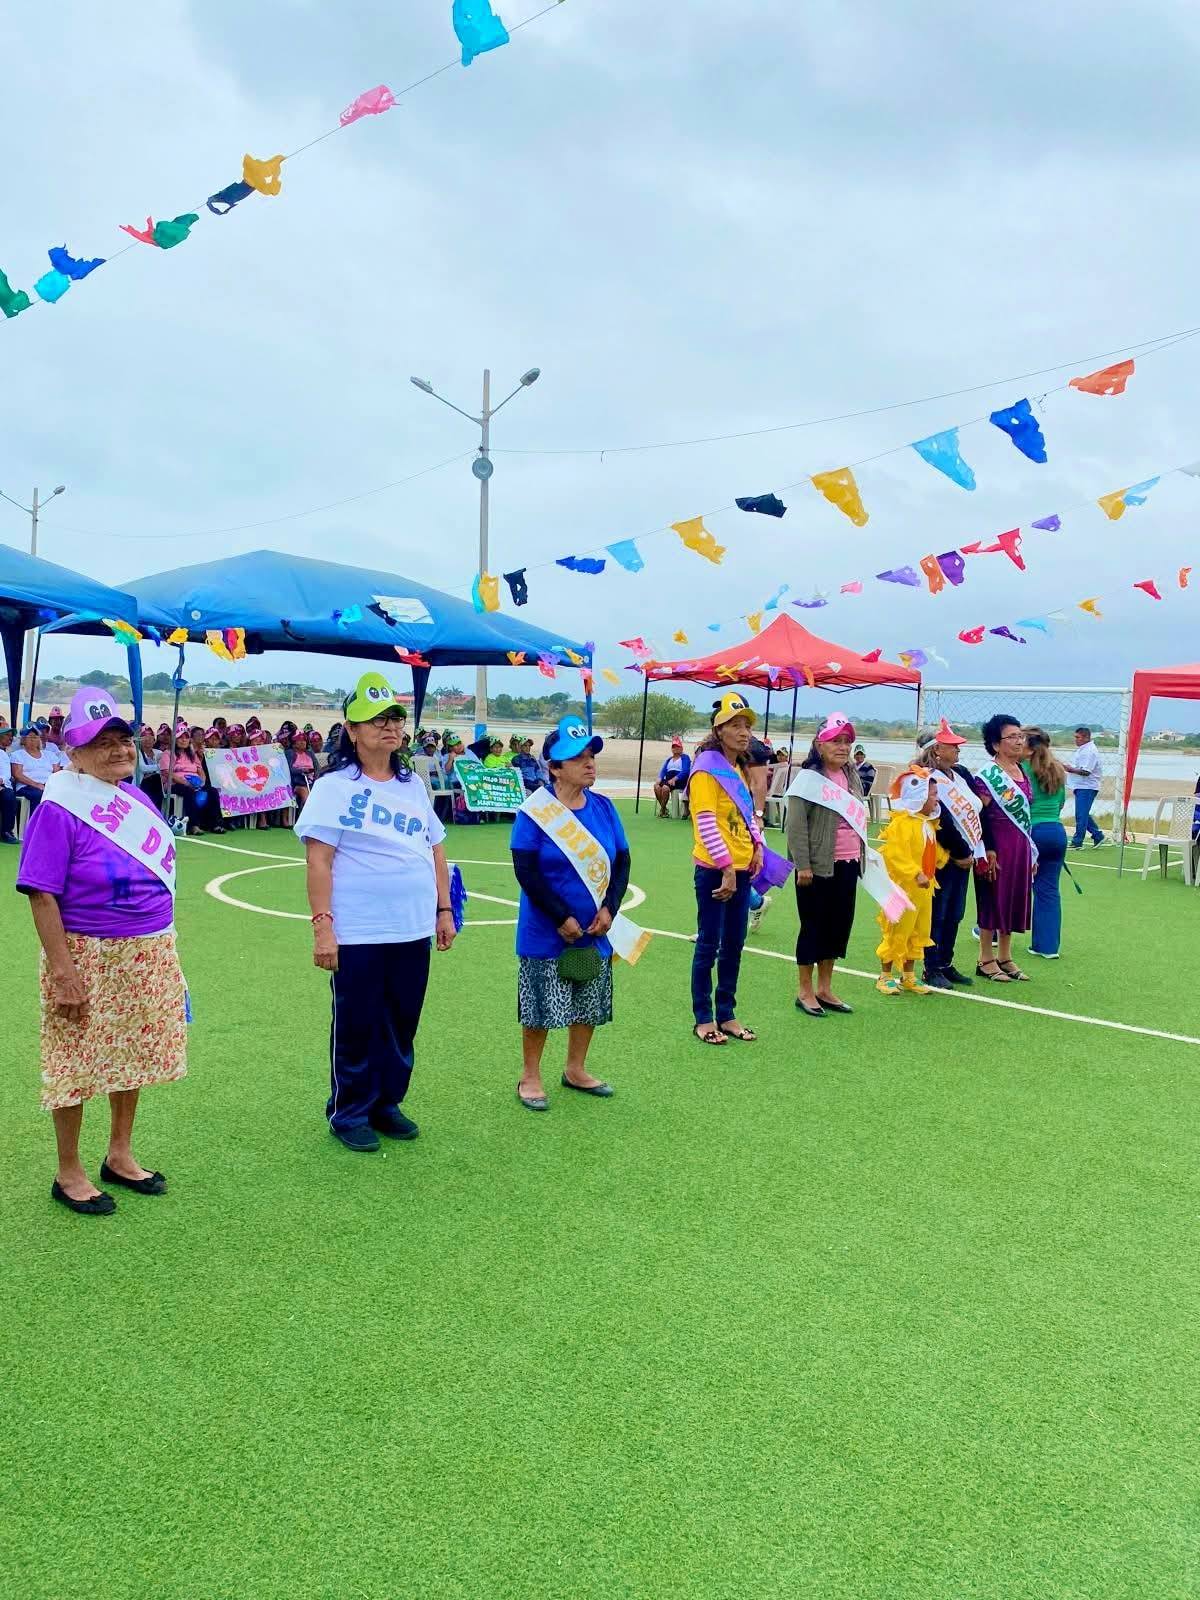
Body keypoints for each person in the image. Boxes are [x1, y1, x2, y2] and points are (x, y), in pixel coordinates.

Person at [16, 688, 187, 1215]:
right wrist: (64, 973)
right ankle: (68, 1171)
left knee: (132, 1054)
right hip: (86, 955)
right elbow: (41, 894)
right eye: (101, 742)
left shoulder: (135, 799)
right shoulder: (59, 808)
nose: (118, 750)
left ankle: (120, 1154)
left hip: (146, 951)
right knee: (73, 1061)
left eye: (123, 740)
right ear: (73, 750)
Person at [295, 673, 456, 1152]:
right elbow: (318, 860)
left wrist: (444, 908)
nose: (389, 727)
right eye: (376, 719)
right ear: (351, 729)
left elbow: (436, 849)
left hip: (412, 926)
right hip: (359, 928)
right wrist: (323, 927)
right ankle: (350, 1111)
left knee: (402, 1020)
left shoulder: (412, 785)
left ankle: (387, 1103)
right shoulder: (333, 787)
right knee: (358, 1022)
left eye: (395, 719)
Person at [510, 717, 628, 1108]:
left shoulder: (605, 808)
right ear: (554, 767)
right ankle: (530, 1076)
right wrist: (561, 917)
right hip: (546, 930)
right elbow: (526, 869)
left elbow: (622, 862)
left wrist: (610, 908)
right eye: (578, 758)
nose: (589, 763)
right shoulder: (535, 812)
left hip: (595, 929)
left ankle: (576, 1069)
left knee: (588, 1000)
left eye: (591, 755)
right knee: (540, 1006)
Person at [687, 693, 765, 1045]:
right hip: (716, 870)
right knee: (709, 943)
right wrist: (727, 868)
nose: (744, 732)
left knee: (734, 943)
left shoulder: (737, 768)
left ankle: (727, 1013)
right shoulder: (706, 768)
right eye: (735, 725)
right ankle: (704, 1018)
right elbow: (705, 821)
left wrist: (757, 847)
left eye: (746, 725)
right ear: (718, 730)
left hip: (742, 866)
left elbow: (747, 817)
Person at [785, 713, 866, 1017]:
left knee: (838, 926)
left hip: (848, 863)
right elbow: (795, 826)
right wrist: (803, 865)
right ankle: (805, 990)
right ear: (820, 745)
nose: (843, 747)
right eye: (836, 741)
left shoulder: (851, 775)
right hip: (817, 866)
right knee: (813, 926)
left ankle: (825, 988)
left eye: (847, 741)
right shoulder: (808, 779)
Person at [917, 719, 983, 989]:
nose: (958, 750)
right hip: (942, 855)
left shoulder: (961, 774)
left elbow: (977, 806)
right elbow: (939, 817)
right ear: (936, 750)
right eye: (952, 746)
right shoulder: (924, 777)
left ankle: (946, 962)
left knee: (955, 912)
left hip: (965, 853)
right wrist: (960, 851)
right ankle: (931, 967)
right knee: (938, 913)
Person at [973, 715, 1034, 983]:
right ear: (996, 744)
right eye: (1012, 737)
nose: (1019, 741)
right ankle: (985, 958)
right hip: (996, 846)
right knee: (992, 899)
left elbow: (1026, 813)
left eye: (1021, 736)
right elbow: (979, 814)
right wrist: (987, 848)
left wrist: (1032, 852)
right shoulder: (987, 776)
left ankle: (1005, 956)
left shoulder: (1022, 771)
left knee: (1012, 899)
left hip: (1020, 846)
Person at [875, 769, 944, 995]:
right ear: (919, 796)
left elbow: (931, 852)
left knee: (919, 931)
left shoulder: (927, 824)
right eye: (933, 794)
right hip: (902, 889)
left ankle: (908, 975)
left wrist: (944, 858)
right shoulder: (902, 824)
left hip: (924, 891)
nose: (937, 799)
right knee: (896, 930)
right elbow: (895, 854)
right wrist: (915, 873)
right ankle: (885, 975)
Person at [1023, 727, 1069, 959]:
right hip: (1056, 832)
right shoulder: (1058, 769)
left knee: (1011, 885)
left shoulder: (1020, 769)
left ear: (1028, 746)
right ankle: (1047, 946)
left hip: (1031, 833)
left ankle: (992, 933)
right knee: (1049, 890)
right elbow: (1060, 803)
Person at [1066, 726, 1105, 849]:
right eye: (1075, 737)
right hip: (1081, 785)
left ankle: (1077, 842)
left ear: (1086, 737)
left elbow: (1086, 771)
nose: (1076, 740)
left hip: (1087, 787)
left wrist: (1070, 769)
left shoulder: (1089, 751)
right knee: (1083, 814)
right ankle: (1098, 835)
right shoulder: (1083, 749)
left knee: (1081, 815)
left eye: (1078, 737)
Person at [10, 726, 58, 812]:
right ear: (23, 740)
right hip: (26, 787)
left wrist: (50, 785)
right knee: (39, 794)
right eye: (30, 737)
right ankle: (36, 820)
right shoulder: (17, 755)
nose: (33, 740)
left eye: (35, 737)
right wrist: (37, 785)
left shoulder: (50, 755)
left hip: (48, 786)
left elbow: (57, 773)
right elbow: (17, 775)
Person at [654, 736, 692, 818]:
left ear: (681, 748)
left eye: (677, 747)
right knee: (656, 786)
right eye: (674, 747)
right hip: (668, 780)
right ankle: (664, 809)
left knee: (665, 788)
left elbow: (685, 771)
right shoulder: (669, 759)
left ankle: (662, 811)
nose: (675, 748)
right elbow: (663, 770)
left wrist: (675, 778)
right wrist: (660, 778)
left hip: (679, 780)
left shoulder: (685, 757)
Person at [0, 725, 17, 842]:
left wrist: (1, 781)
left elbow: (6, 774)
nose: (10, 738)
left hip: (3, 785)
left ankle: (7, 831)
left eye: (11, 736)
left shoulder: (4, 754)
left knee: (9, 795)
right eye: (7, 735)